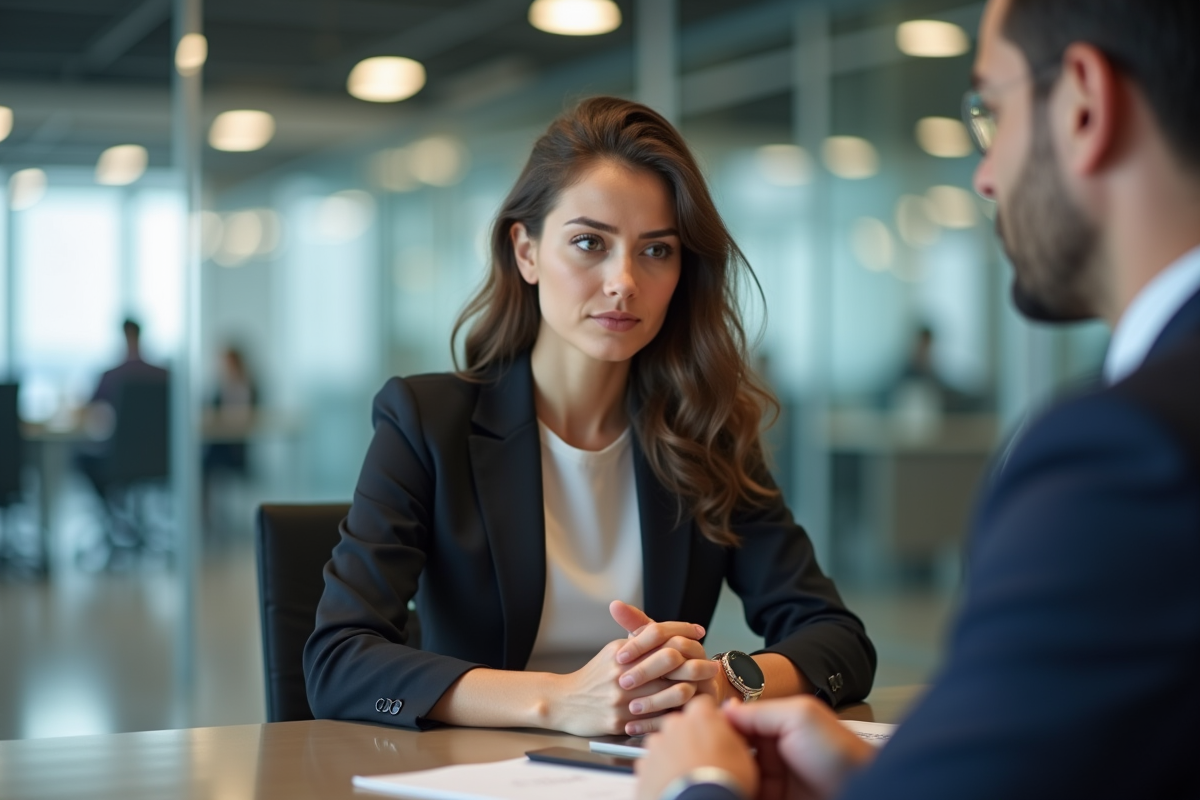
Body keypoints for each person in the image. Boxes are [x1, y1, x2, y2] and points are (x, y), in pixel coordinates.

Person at [636, 0, 1200, 797]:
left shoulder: (1126, 453)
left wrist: (699, 782)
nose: (985, 173)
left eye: (990, 112)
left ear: (1083, 103)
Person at [304, 97, 876, 736]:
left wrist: (721, 683)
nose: (623, 281)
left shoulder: (704, 433)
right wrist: (560, 699)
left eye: (656, 251)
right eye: (588, 243)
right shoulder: (427, 422)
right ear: (525, 251)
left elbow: (839, 642)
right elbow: (339, 661)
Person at [76, 318, 169, 499]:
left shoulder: (112, 376)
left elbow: (88, 410)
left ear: (123, 336)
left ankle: (111, 515)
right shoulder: (163, 374)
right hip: (161, 460)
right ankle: (118, 516)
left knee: (80, 458)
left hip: (119, 459)